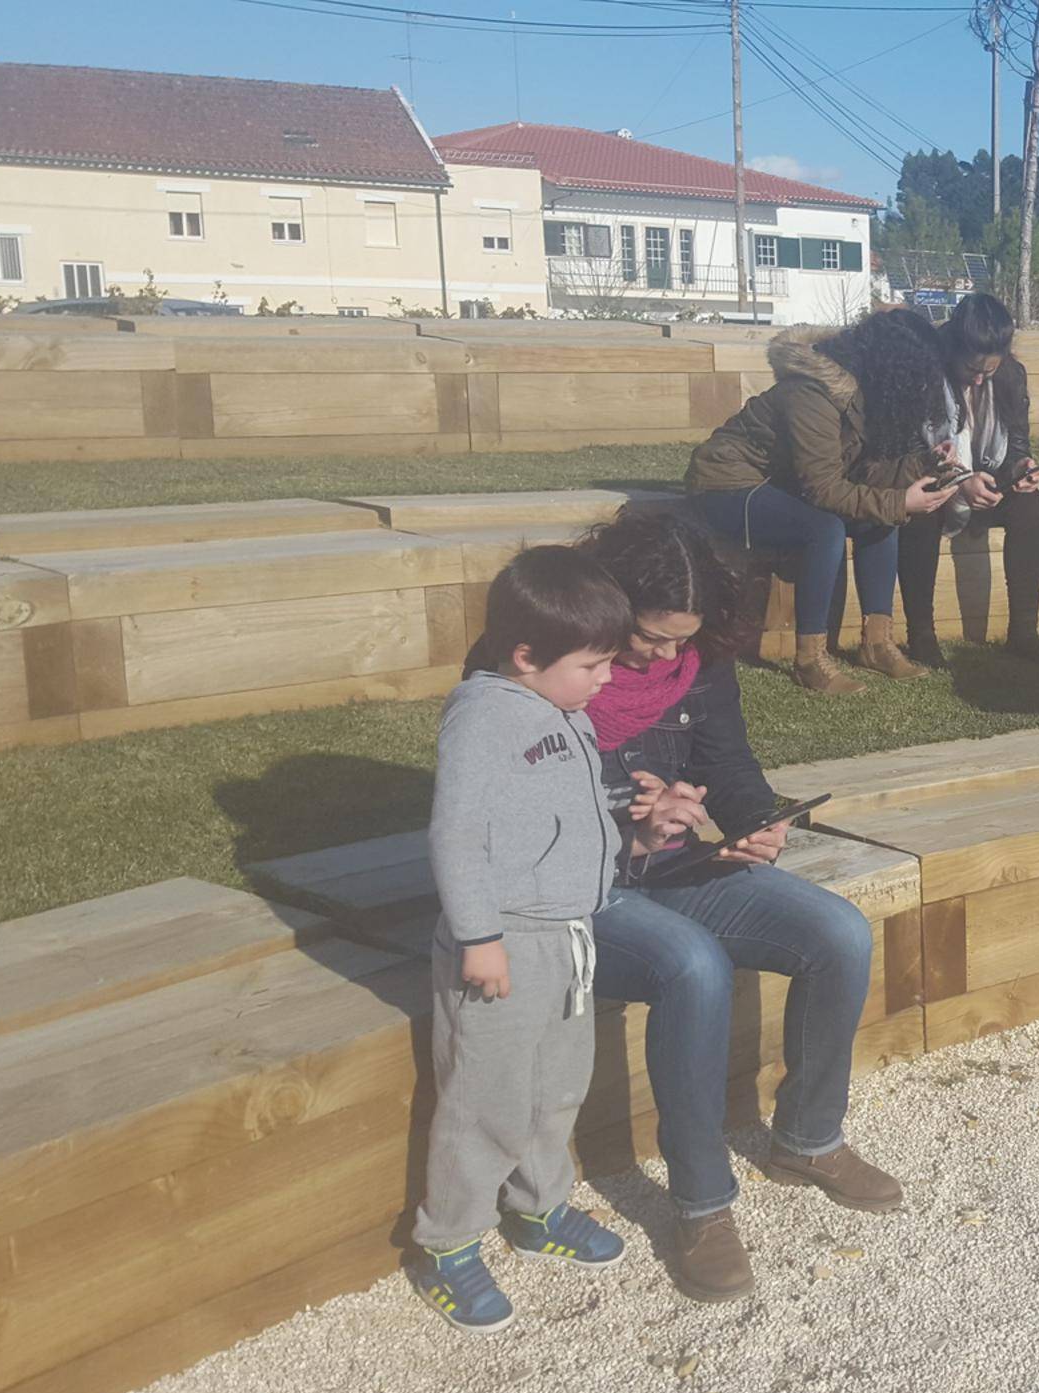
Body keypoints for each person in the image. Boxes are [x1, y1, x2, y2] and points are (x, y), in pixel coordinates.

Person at [576, 510, 899, 1306]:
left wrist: (758, 822)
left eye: (682, 640)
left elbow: (728, 764)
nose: (665, 656)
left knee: (838, 931)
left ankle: (807, 1138)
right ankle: (701, 1205)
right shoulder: (556, 655)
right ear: (609, 603)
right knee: (692, 965)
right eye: (650, 637)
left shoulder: (697, 660)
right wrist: (630, 825)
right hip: (579, 884)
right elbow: (527, 816)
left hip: (675, 862)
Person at [411, 546, 691, 1334]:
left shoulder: (564, 713)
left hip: (568, 937)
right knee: (486, 1098)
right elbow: (458, 835)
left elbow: (565, 826)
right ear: (527, 656)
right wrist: (480, 937)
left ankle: (538, 1208)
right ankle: (449, 1243)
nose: (607, 677)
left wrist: (638, 838)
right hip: (506, 943)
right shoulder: (484, 716)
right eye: (592, 664)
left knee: (557, 1084)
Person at [684, 312, 963, 694]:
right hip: (727, 484)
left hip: (783, 484)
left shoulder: (863, 393)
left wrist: (924, 464)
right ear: (894, 368)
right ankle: (809, 660)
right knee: (825, 528)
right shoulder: (812, 392)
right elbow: (825, 489)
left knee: (880, 518)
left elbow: (863, 471)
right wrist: (902, 501)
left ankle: (877, 643)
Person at [897, 293, 1039, 669]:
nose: (980, 378)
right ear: (954, 349)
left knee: (1032, 508)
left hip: (988, 473)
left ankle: (1024, 633)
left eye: (990, 370)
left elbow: (1017, 444)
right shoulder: (925, 371)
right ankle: (921, 635)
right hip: (930, 472)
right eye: (972, 369)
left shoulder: (1012, 375)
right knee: (923, 511)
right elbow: (911, 448)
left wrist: (1022, 469)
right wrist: (959, 479)